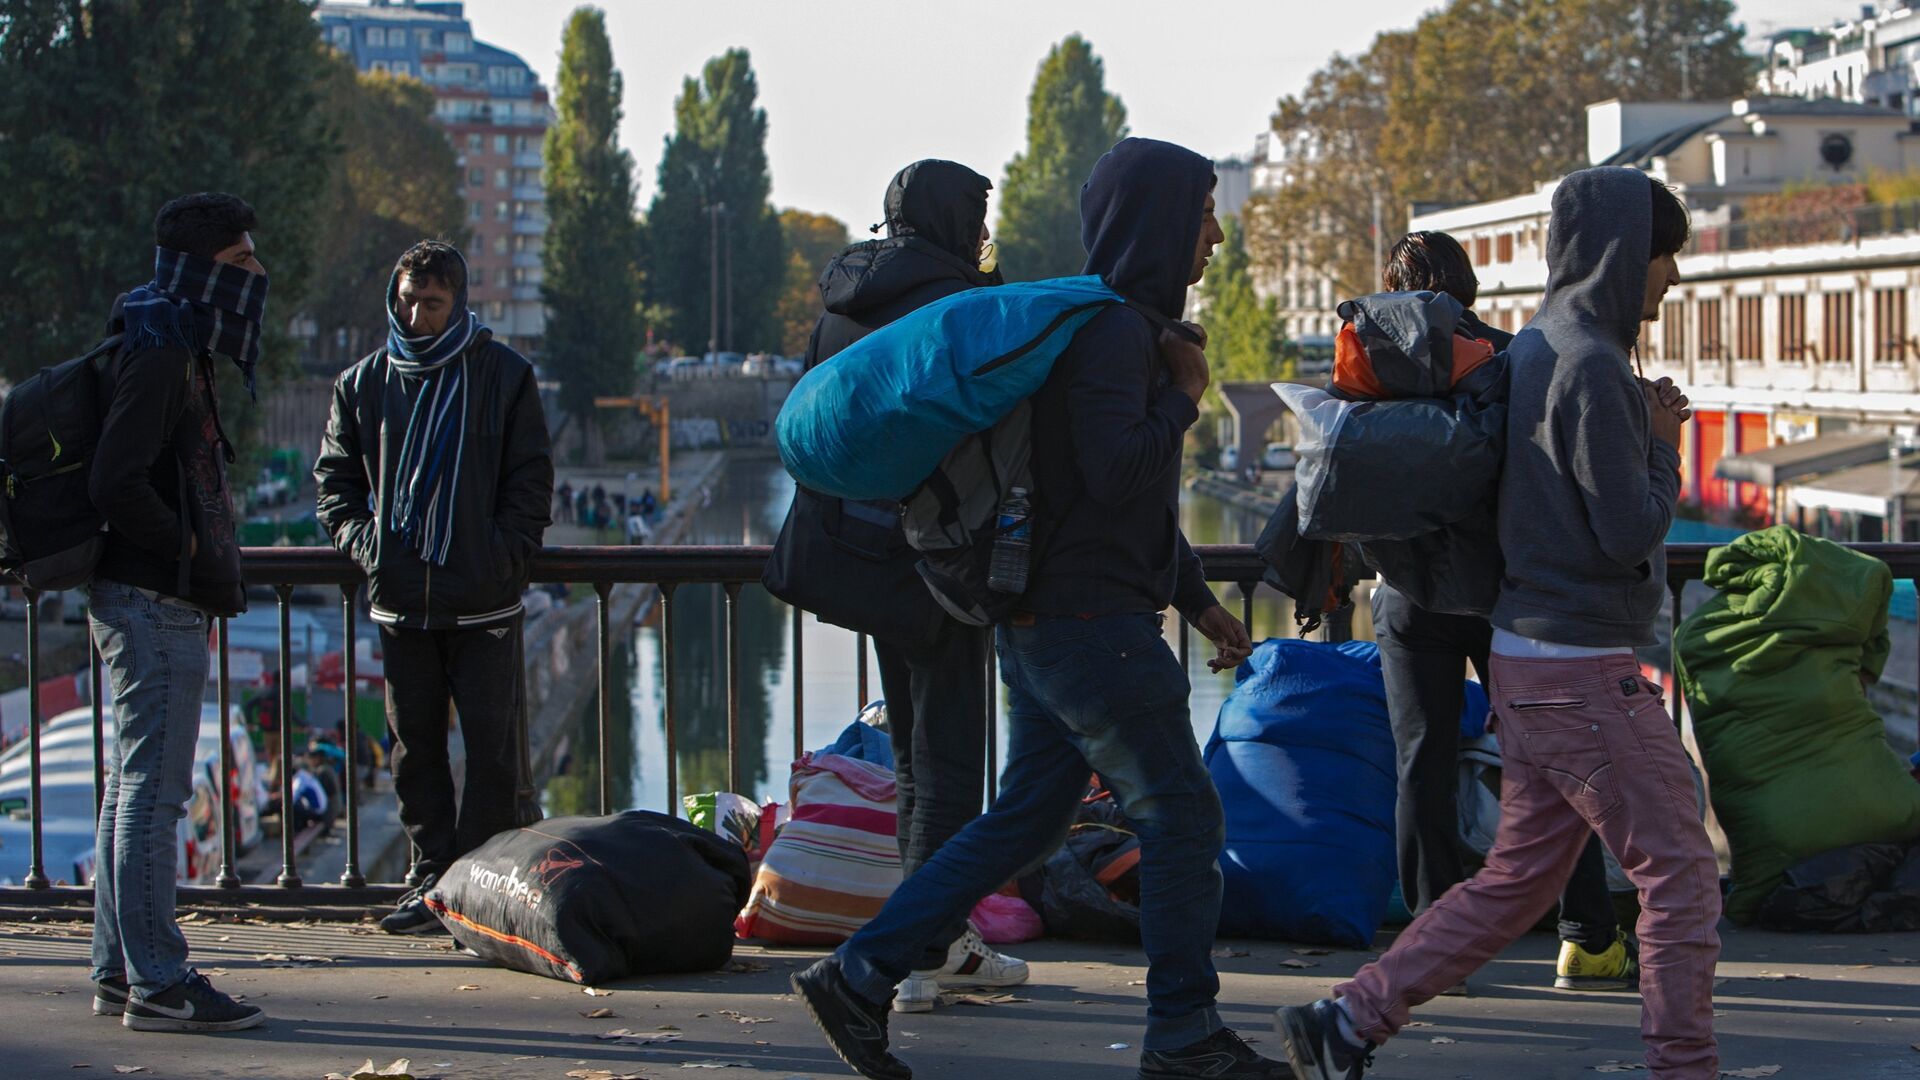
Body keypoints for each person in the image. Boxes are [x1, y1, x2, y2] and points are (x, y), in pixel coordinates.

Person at [793, 138, 1287, 1080]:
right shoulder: (1112, 337)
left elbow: (1111, 504)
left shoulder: (1109, 326)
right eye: (1204, 215)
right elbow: (1115, 472)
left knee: (1023, 819)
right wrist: (1185, 400)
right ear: (1158, 223)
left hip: (1051, 625)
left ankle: (858, 973)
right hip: (1091, 631)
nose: (1216, 237)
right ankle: (1184, 1033)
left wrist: (1199, 601)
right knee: (1185, 820)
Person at [1278, 169, 1716, 1080]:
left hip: (1524, 656)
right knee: (1680, 876)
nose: (1673, 276)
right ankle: (1686, 1065)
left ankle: (1348, 1020)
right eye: (1664, 253)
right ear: (1621, 254)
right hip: (1582, 666)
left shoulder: (1541, 350)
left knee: (1516, 882)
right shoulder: (1594, 366)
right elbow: (1625, 528)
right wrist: (1665, 445)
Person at [1372, 229, 1634, 995]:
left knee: (1419, 763)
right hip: (1504, 592)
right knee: (1550, 765)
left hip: (1409, 591)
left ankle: (1434, 946)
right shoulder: (1515, 356)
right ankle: (1586, 935)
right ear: (1471, 283)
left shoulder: (1378, 361)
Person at [798, 159, 1027, 1014]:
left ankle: (925, 935)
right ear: (954, 220)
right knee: (952, 759)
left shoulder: (841, 303)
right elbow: (992, 399)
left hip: (864, 555)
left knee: (911, 756)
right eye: (978, 218)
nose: (983, 235)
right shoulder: (948, 303)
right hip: (942, 553)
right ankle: (931, 948)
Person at [315, 240, 554, 935]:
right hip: (402, 604)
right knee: (414, 750)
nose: (416, 315)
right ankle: (428, 884)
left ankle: (482, 886)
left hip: (483, 600)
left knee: (491, 750)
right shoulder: (363, 383)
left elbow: (530, 483)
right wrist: (371, 550)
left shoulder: (504, 375)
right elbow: (335, 487)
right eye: (408, 299)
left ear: (459, 304)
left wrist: (500, 556)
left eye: (432, 303)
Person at [86, 192, 267, 1032]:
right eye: (241, 262)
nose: (257, 276)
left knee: (131, 790)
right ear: (201, 270)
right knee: (155, 797)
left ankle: (120, 971)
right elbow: (116, 479)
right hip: (153, 599)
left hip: (139, 593)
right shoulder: (161, 348)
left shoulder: (158, 328)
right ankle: (159, 979)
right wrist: (187, 553)